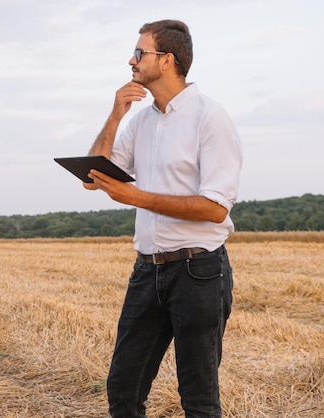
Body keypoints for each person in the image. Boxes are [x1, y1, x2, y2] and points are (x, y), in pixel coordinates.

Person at [84, 20, 242, 417]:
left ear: (167, 60)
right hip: (147, 270)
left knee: (198, 397)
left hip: (199, 271)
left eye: (140, 53)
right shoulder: (141, 121)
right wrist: (116, 113)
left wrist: (137, 197)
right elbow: (94, 176)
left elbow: (215, 207)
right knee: (123, 387)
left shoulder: (211, 117)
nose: (131, 61)